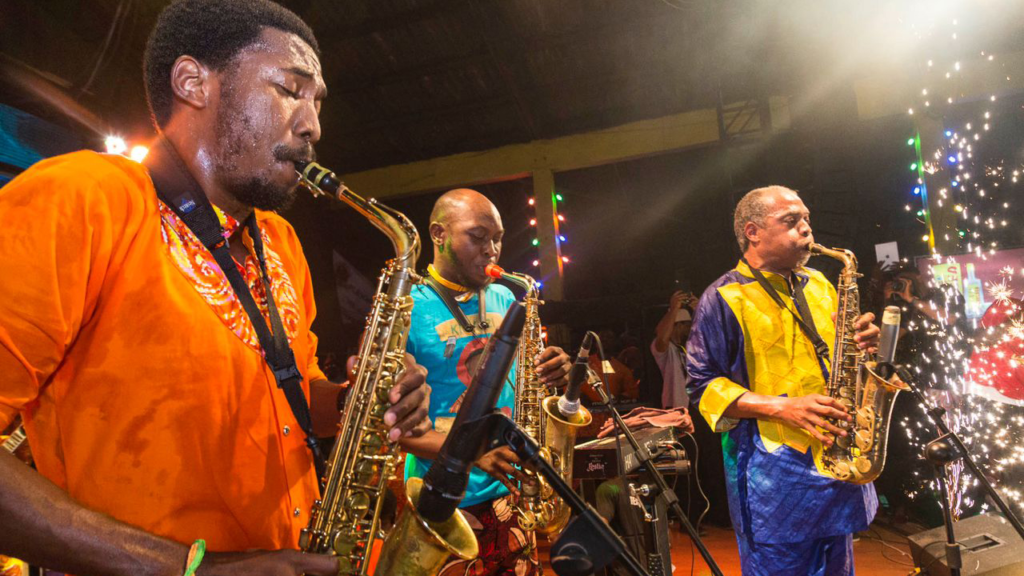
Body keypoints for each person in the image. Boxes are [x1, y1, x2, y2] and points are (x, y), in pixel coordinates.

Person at [0, 2, 432, 574]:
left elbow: (292, 396)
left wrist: (359, 401)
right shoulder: (77, 197)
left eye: (317, 101)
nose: (313, 126)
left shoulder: (279, 240)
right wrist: (194, 569)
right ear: (192, 82)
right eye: (290, 89)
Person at [686, 185, 881, 575]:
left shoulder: (822, 285)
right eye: (791, 221)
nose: (806, 229)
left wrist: (864, 347)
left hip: (837, 460)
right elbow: (701, 386)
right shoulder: (723, 296)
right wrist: (784, 407)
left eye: (806, 219)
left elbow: (841, 363)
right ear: (753, 231)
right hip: (773, 477)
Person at [399, 188, 572, 576]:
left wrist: (552, 371)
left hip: (509, 499)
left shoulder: (507, 297)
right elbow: (395, 430)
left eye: (497, 238)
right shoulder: (407, 307)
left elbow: (526, 385)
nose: (492, 250)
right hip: (443, 506)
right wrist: (470, 451)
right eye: (478, 237)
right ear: (438, 234)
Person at [652, 290, 698, 410]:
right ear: (678, 326)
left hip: (699, 404)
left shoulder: (692, 346)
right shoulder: (667, 349)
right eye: (687, 324)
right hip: (678, 406)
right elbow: (661, 337)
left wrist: (699, 310)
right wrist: (673, 310)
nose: (690, 328)